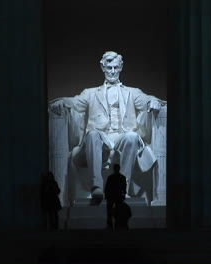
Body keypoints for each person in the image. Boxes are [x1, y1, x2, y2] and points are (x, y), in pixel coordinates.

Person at [49, 51, 166, 199]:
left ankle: (122, 187)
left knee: (132, 136)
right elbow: (75, 102)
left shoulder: (132, 92)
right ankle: (96, 187)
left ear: (121, 67)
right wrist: (62, 102)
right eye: (109, 67)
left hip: (121, 137)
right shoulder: (90, 93)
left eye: (116, 68)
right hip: (100, 137)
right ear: (102, 67)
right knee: (92, 134)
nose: (112, 71)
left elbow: (145, 100)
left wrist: (153, 101)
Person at [104, 164, 127, 229]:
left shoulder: (111, 177)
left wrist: (106, 195)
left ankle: (111, 225)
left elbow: (107, 187)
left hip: (113, 196)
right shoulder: (121, 177)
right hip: (116, 196)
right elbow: (124, 188)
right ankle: (115, 225)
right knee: (114, 211)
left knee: (112, 212)